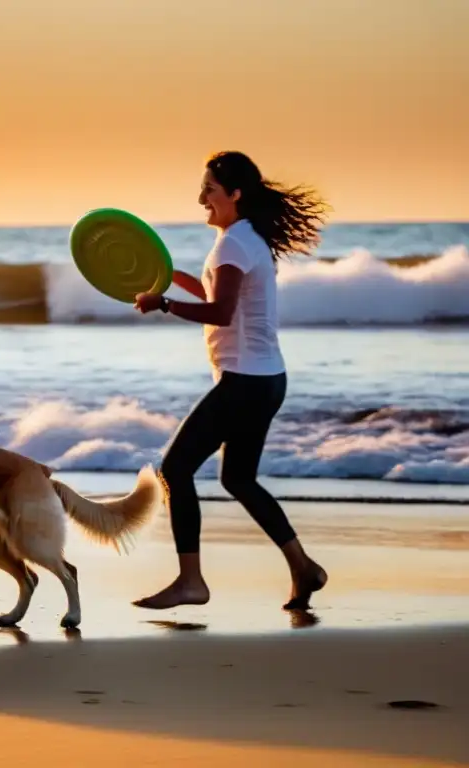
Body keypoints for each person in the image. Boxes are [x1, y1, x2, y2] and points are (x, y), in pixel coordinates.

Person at [132, 151, 329, 611]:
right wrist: (167, 279)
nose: (201, 197)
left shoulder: (233, 245)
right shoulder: (246, 239)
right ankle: (303, 568)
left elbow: (220, 313)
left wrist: (163, 306)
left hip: (244, 381)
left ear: (235, 194)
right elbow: (216, 293)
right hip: (265, 379)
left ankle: (190, 582)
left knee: (175, 469)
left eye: (210, 190)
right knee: (239, 478)